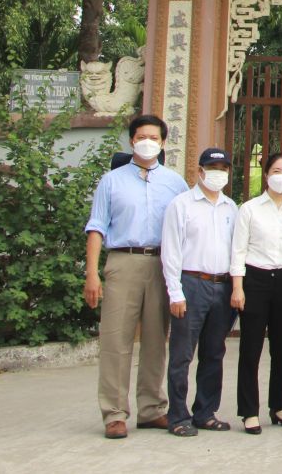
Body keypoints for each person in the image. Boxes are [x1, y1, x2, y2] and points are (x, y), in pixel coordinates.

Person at [83, 114, 188, 439]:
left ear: (163, 142)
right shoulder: (111, 181)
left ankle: (152, 408)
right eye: (141, 136)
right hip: (122, 262)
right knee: (116, 338)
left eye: (154, 137)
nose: (147, 142)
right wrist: (92, 273)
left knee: (157, 338)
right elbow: (97, 227)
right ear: (131, 141)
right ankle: (114, 413)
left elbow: (188, 227)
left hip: (161, 264)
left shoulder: (174, 183)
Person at [161, 147, 239, 437]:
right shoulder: (181, 205)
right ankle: (178, 415)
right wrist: (175, 292)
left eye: (223, 169)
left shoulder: (232, 208)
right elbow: (171, 252)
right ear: (200, 171)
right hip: (191, 283)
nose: (218, 174)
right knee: (182, 353)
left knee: (214, 352)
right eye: (213, 168)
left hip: (222, 286)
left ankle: (205, 411)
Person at [230, 151, 282, 434]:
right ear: (266, 172)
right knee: (251, 348)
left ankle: (278, 406)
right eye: (276, 170)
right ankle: (249, 411)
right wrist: (237, 287)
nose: (281, 176)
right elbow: (238, 249)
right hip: (255, 280)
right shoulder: (249, 209)